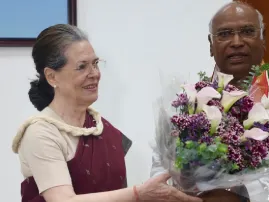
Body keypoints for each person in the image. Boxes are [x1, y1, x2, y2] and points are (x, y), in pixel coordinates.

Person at [151, 1, 269, 202]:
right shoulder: (187, 104)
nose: (236, 42)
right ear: (211, 45)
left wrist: (241, 194)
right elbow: (160, 174)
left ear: (262, 40)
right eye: (224, 34)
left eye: (247, 31)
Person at [12, 24, 202, 202]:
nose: (94, 73)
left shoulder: (103, 129)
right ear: (52, 76)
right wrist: (139, 193)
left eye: (95, 63)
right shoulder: (41, 132)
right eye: (82, 66)